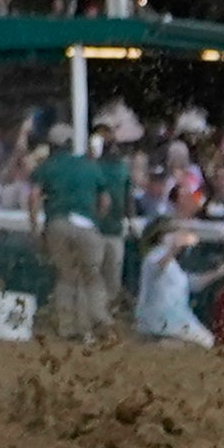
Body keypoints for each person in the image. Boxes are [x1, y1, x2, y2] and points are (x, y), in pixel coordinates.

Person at [34, 115, 130, 344]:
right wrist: (95, 219)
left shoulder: (47, 166)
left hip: (57, 223)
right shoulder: (88, 166)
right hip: (87, 225)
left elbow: (33, 196)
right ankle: (101, 322)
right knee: (93, 277)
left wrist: (35, 227)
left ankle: (69, 329)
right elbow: (105, 201)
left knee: (66, 277)